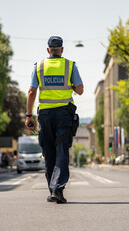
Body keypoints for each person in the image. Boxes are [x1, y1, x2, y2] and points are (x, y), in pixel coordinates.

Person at [25, 36, 84, 204]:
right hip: (64, 115)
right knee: (62, 151)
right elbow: (79, 90)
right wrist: (70, 85)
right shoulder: (70, 65)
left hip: (45, 115)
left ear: (48, 50)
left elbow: (31, 92)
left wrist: (28, 116)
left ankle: (53, 190)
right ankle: (57, 189)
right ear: (62, 50)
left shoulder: (39, 66)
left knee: (49, 153)